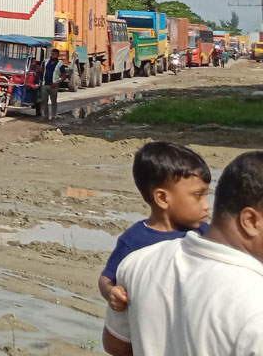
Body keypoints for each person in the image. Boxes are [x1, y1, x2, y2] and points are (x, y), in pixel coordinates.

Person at [102, 151, 263, 356]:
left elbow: (115, 345)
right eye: (198, 195)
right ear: (250, 221)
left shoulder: (136, 262)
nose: (205, 204)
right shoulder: (256, 302)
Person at [98, 142, 211, 312]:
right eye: (198, 196)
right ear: (162, 198)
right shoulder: (134, 241)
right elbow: (106, 279)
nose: (207, 205)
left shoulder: (204, 233)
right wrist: (111, 292)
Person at [40, 48, 66, 120]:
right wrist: (35, 65)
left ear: (58, 55)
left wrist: (57, 83)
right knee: (44, 101)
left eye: (55, 54)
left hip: (54, 85)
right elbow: (42, 71)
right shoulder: (46, 61)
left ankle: (54, 115)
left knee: (53, 101)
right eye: (52, 54)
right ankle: (46, 115)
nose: (53, 56)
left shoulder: (60, 63)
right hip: (45, 84)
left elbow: (64, 76)